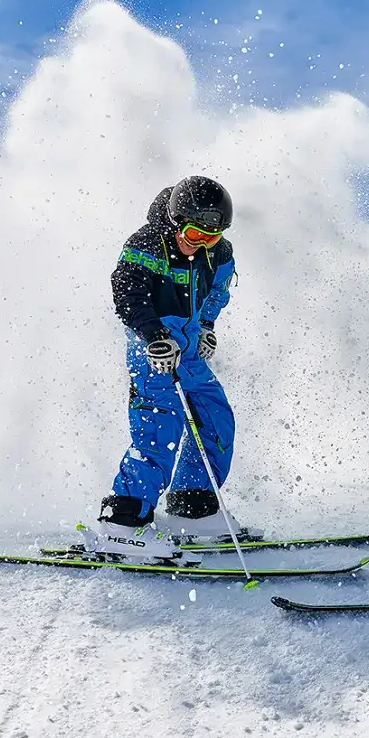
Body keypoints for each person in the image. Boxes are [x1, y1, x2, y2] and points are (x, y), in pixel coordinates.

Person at [86, 176, 246, 559]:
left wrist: (206, 326)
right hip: (153, 348)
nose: (202, 244)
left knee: (215, 418)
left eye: (213, 237)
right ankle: (122, 523)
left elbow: (218, 291)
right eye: (194, 234)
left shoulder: (219, 252)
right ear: (177, 222)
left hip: (188, 348)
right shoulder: (147, 243)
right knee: (161, 428)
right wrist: (153, 333)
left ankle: (192, 507)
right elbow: (127, 290)